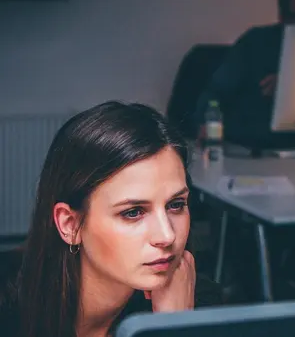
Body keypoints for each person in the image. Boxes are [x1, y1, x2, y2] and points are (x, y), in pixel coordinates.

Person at [0, 101, 221, 336]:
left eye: (176, 205)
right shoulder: (8, 310)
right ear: (70, 225)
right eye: (133, 212)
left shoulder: (195, 306)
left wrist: (174, 325)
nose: (167, 236)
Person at [194, 0, 295, 146]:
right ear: (283, 18)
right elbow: (215, 91)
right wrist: (206, 124)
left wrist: (294, 86)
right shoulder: (256, 43)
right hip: (258, 142)